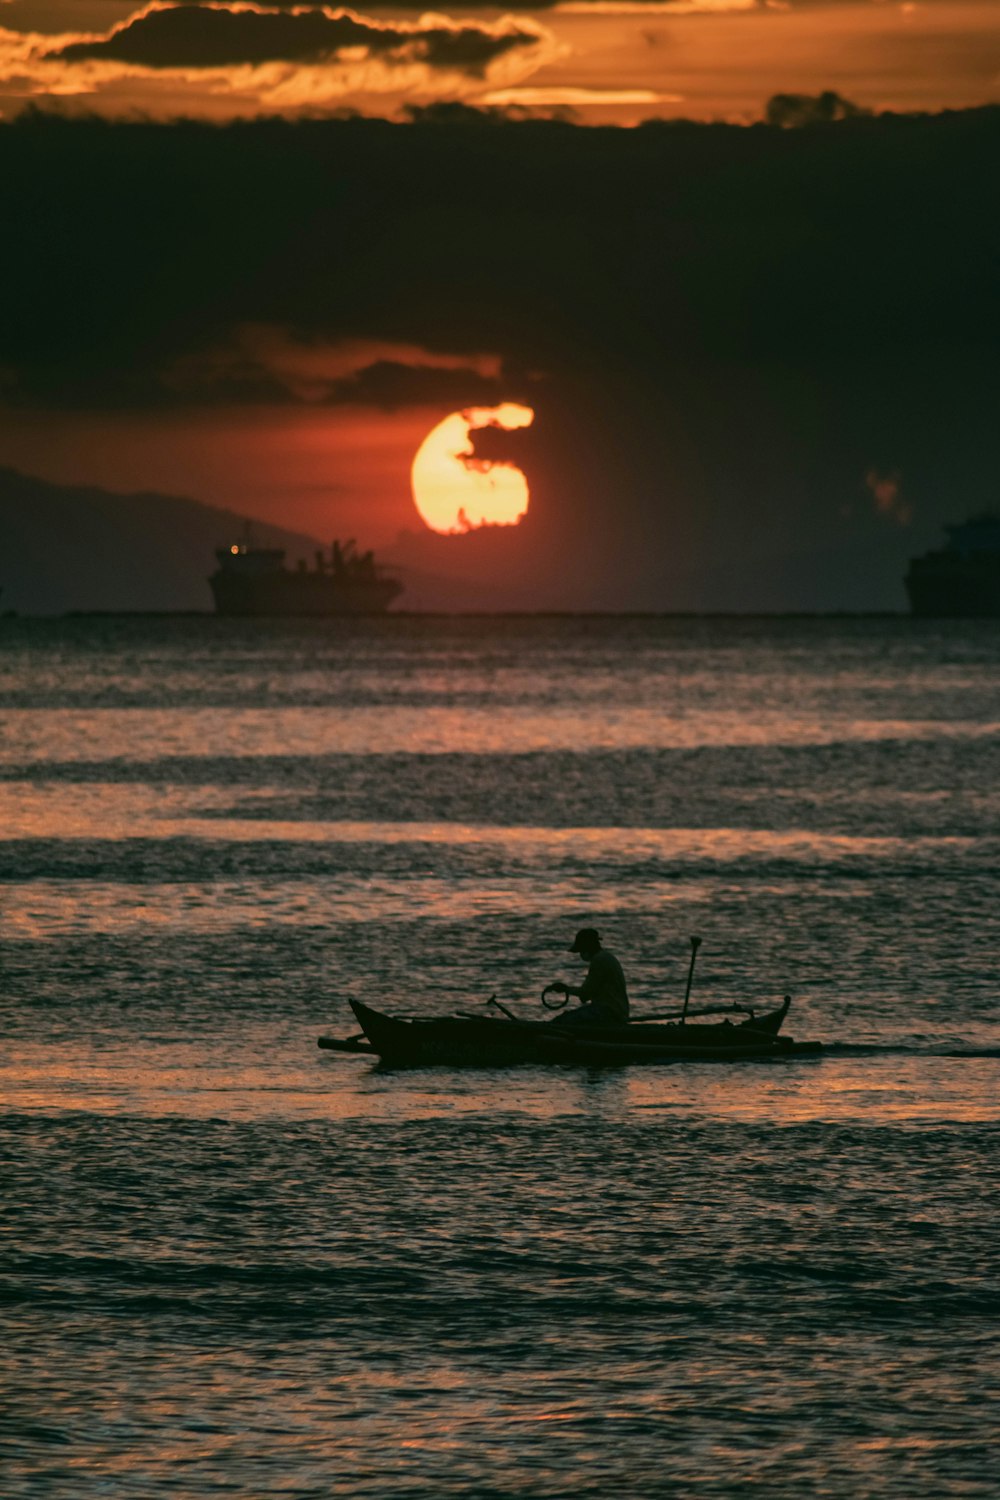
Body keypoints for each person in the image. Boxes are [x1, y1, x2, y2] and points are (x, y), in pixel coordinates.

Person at [546, 928, 629, 1026]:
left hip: (609, 1013)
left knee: (562, 1021)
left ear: (587, 947)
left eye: (581, 950)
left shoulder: (599, 960)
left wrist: (565, 989)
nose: (581, 954)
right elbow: (588, 993)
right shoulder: (606, 957)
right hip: (617, 1012)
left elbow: (586, 992)